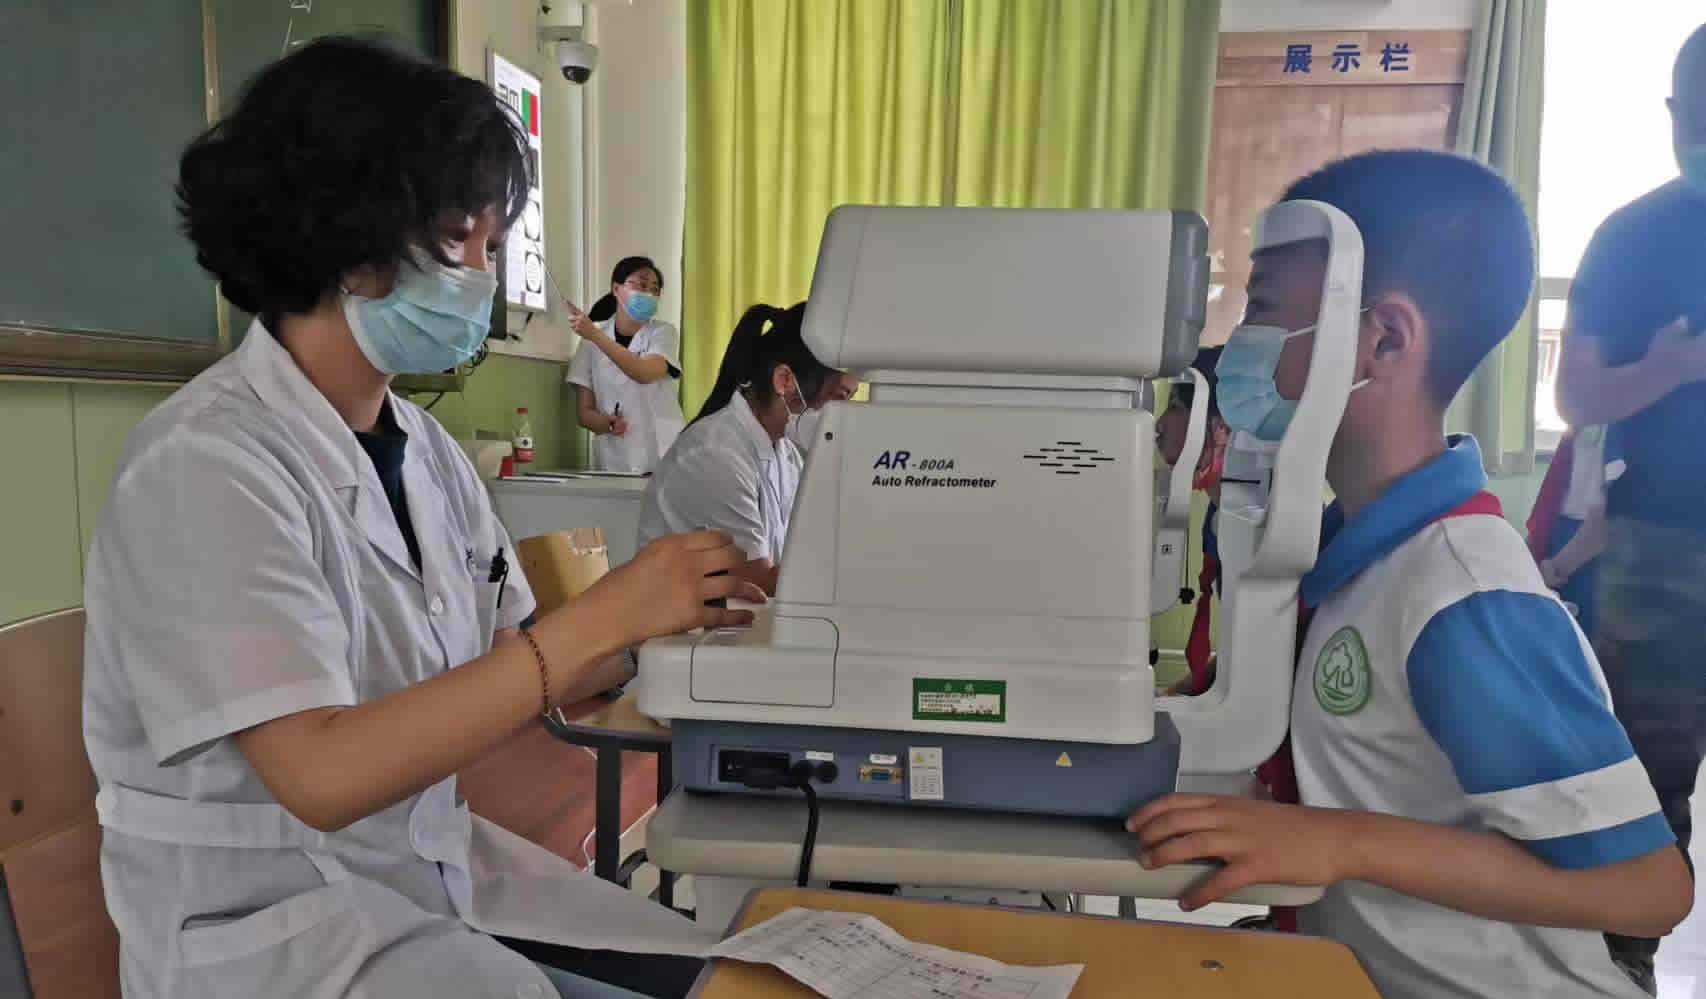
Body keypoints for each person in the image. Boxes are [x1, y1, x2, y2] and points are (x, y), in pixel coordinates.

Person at [82, 38, 763, 999]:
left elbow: (519, 657)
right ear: (349, 242)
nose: (485, 277)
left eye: (493, 245)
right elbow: (321, 773)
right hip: (275, 940)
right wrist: (604, 617)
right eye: (463, 239)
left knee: (723, 972)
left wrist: (682, 624)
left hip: (424, 882)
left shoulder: (424, 450)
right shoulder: (202, 465)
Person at [1127, 149, 1691, 999]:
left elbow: (1649, 887)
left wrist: (1343, 842)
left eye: (1262, 311)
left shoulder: (1465, 592)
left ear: (1384, 339)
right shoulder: (1345, 550)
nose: (1237, 343)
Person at [1557, 22, 1706, 987]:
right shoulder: (1632, 236)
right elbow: (1576, 395)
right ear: (1673, 115)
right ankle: (1622, 969)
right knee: (1647, 786)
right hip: (1659, 548)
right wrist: (1674, 368)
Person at [636, 303, 857, 595]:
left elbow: (802, 551)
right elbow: (761, 579)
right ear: (785, 381)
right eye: (840, 396)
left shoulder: (786, 454)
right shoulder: (714, 454)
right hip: (673, 619)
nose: (845, 411)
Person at [1155, 346, 1229, 697]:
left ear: (1217, 425)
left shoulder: (1270, 528)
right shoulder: (1218, 519)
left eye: (1174, 407)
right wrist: (1171, 697)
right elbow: (1240, 652)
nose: (1158, 425)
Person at [566, 257, 686, 473]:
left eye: (655, 289)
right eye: (641, 285)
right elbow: (584, 413)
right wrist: (608, 424)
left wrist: (594, 334)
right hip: (615, 457)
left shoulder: (663, 333)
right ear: (616, 288)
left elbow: (644, 373)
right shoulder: (589, 342)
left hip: (661, 451)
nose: (649, 294)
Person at [1526, 425, 1622, 634]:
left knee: (1582, 638)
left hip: (1581, 555)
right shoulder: (1582, 427)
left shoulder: (1615, 427)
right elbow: (1551, 500)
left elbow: (1605, 522)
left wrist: (1555, 568)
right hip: (1560, 541)